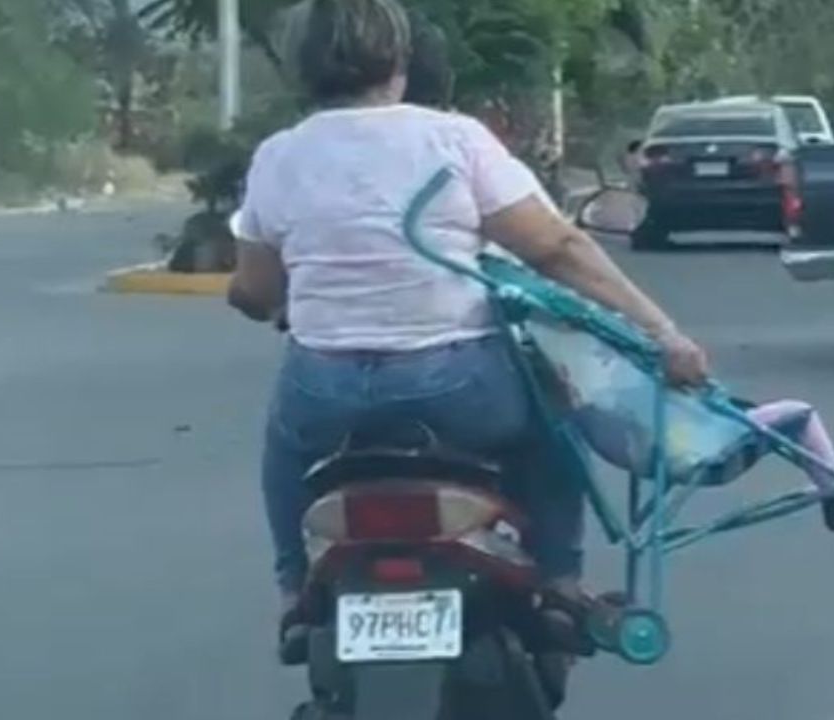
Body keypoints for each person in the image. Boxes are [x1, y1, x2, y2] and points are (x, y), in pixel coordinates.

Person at [226, 0, 709, 650]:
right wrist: (663, 332)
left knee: (285, 447)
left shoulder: (279, 156)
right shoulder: (453, 140)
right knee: (551, 419)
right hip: (457, 385)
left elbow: (256, 291)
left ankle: (294, 593)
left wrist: (269, 295)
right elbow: (557, 249)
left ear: (301, 67)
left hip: (326, 389)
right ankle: (561, 583)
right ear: (399, 60)